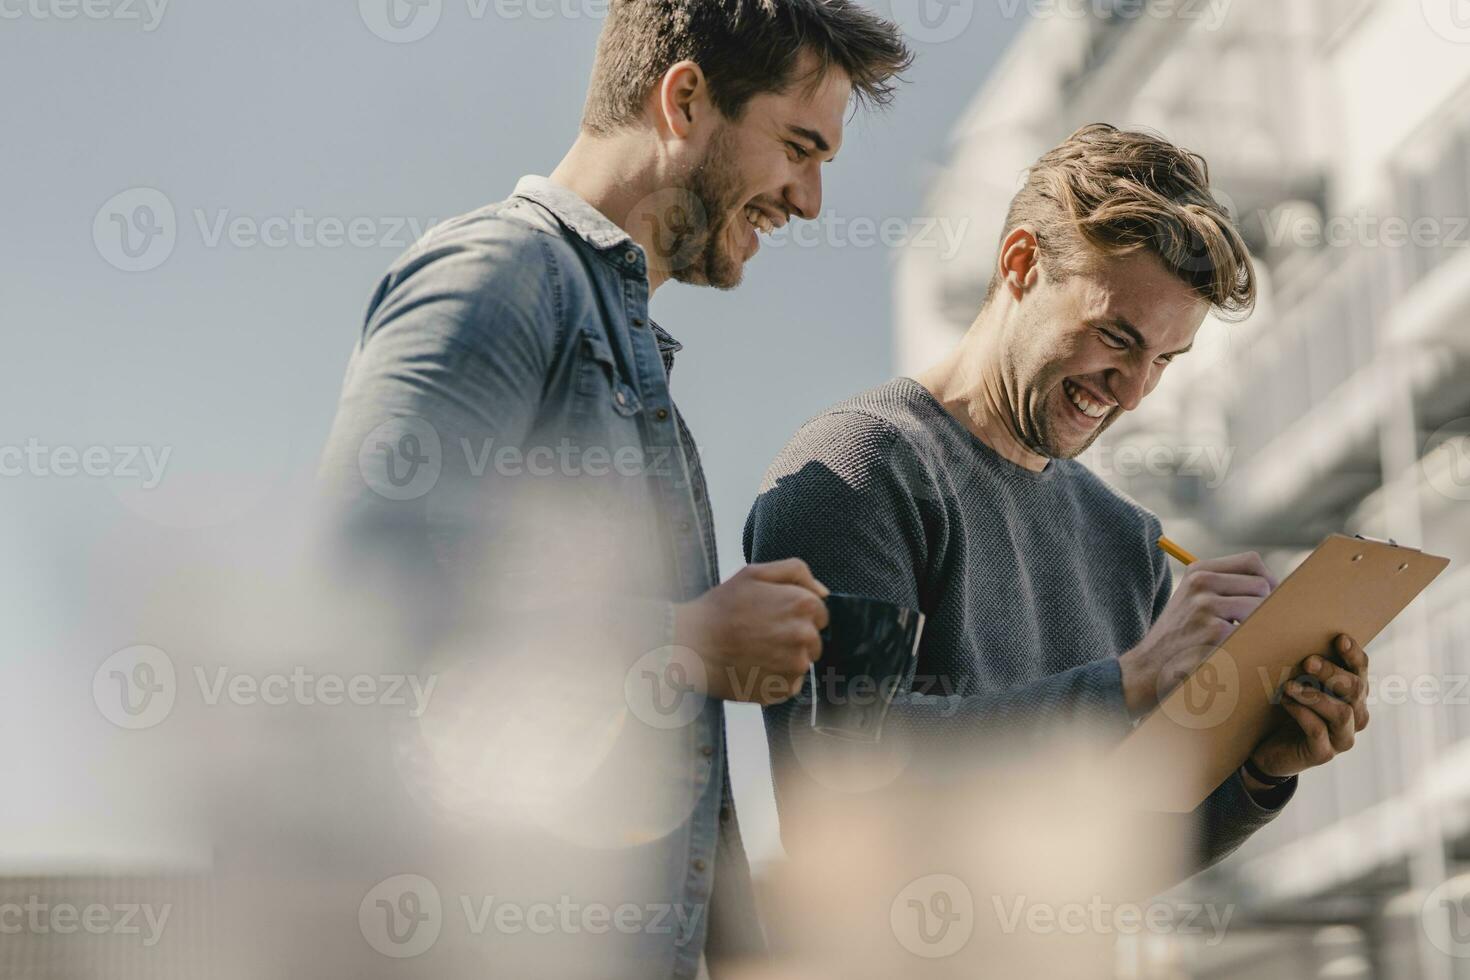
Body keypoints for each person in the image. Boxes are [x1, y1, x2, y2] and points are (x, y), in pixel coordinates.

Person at [317, 3, 911, 977]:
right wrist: (683, 640)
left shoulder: (632, 368)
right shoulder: (499, 275)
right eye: (799, 148)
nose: (809, 200)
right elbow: (358, 607)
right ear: (684, 101)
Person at [746, 124, 1372, 870]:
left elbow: (1108, 862)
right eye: (1116, 337)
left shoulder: (1125, 540)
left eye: (1164, 360)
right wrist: (1129, 685)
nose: (1135, 392)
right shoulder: (861, 470)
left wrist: (1263, 770)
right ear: (1021, 264)